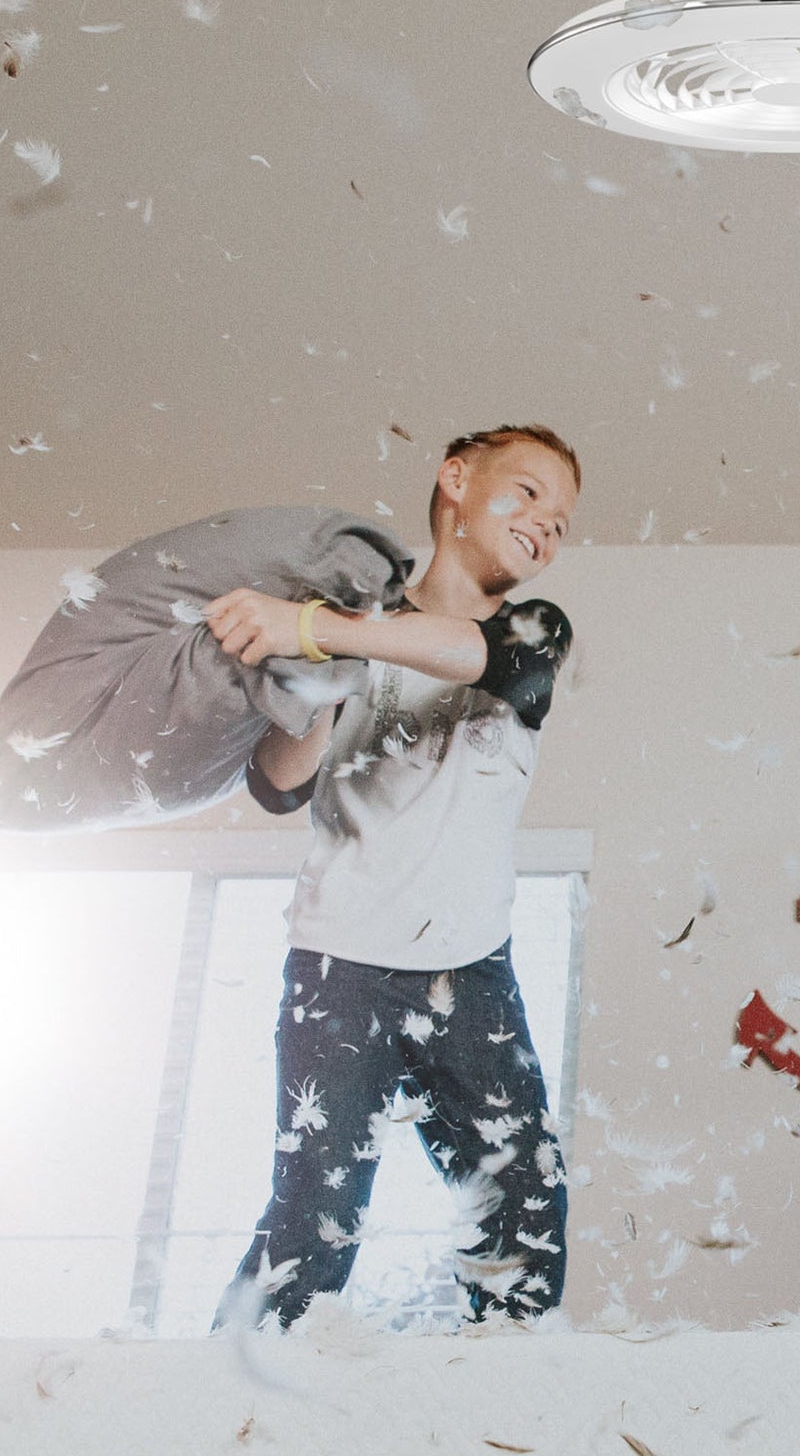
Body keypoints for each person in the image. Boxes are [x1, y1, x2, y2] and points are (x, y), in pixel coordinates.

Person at [208, 424, 580, 1330]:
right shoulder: (349, 625)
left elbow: (490, 663)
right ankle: (216, 1407)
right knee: (313, 1227)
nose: (546, 523)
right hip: (338, 970)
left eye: (563, 519)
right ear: (456, 478)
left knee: (526, 1222)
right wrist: (319, 667)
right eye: (527, 491)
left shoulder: (531, 628)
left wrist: (317, 627)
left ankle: (490, 1416)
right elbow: (276, 783)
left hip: (469, 973)